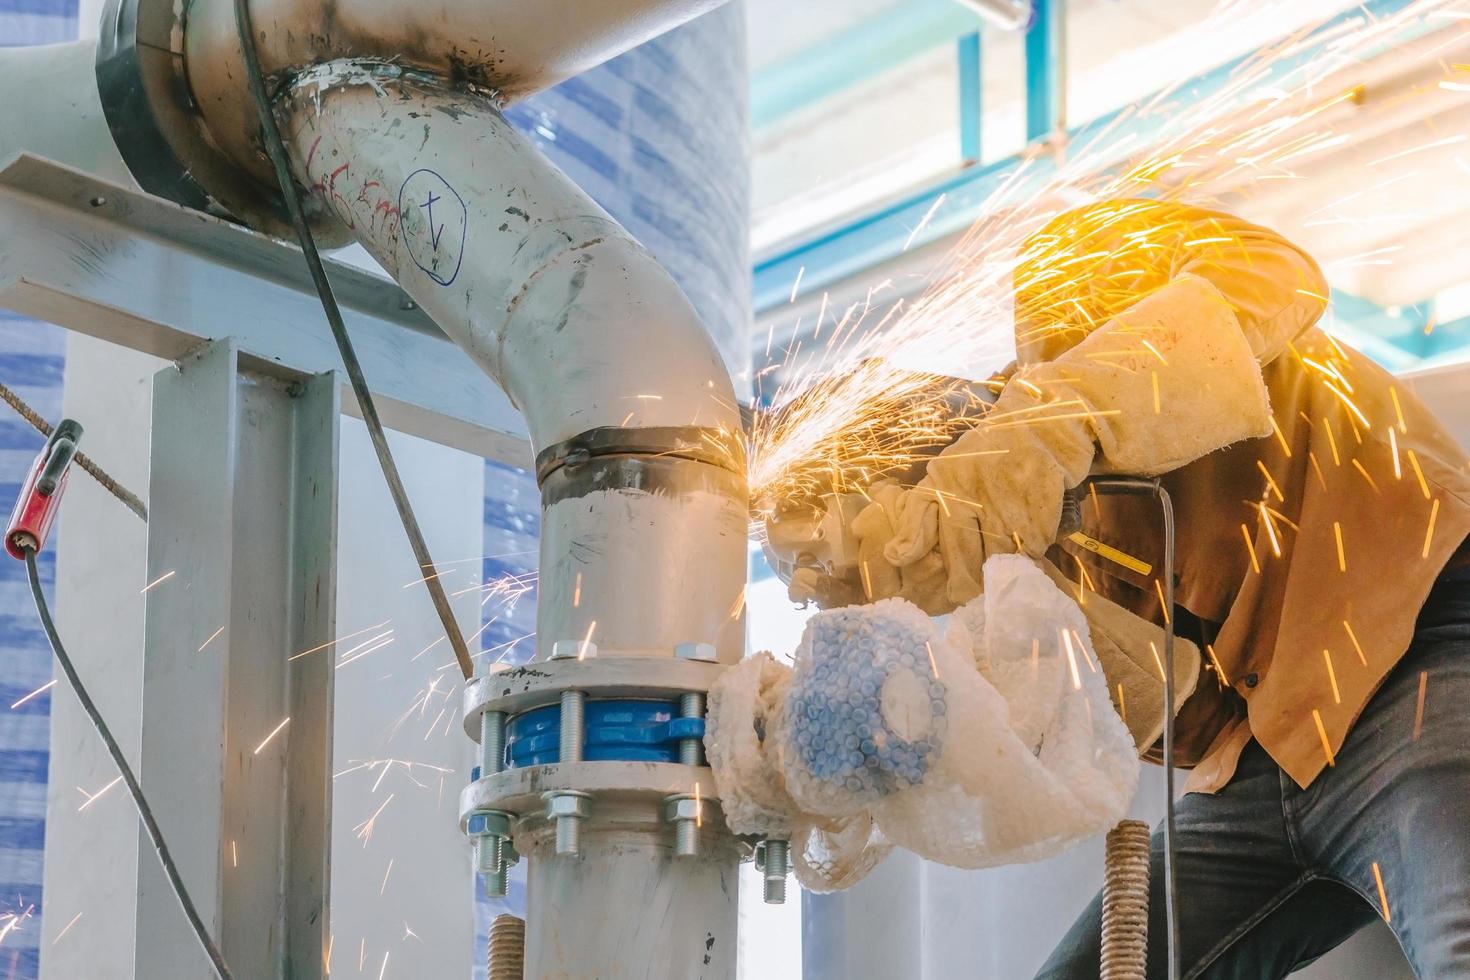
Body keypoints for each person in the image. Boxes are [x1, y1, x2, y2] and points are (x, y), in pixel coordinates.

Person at [783, 199, 1470, 978]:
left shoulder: (1069, 293)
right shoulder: (1035, 556)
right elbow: (1184, 712)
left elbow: (1276, 276)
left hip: (1419, 659)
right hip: (1263, 765)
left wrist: (1056, 425)